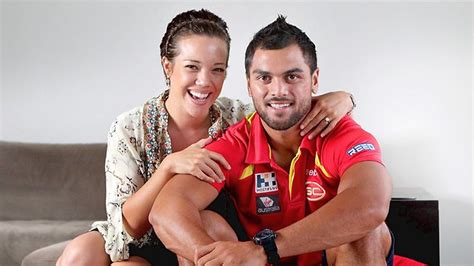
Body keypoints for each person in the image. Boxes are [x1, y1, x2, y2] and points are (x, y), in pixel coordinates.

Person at [56, 9, 355, 266]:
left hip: (208, 233)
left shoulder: (238, 116)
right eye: (192, 67)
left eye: (217, 70)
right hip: (142, 239)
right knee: (80, 253)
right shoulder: (130, 127)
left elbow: (284, 105)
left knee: (204, 224)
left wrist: (344, 98)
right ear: (167, 66)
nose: (205, 81)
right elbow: (126, 229)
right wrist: (168, 167)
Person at [149, 15, 393, 266]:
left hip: (330, 260)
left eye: (292, 77)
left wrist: (264, 249)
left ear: (315, 80)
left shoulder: (342, 133)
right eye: (265, 78)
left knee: (366, 231)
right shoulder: (236, 142)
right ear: (249, 85)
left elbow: (370, 205)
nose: (278, 91)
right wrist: (220, 260)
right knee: (207, 225)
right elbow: (166, 211)